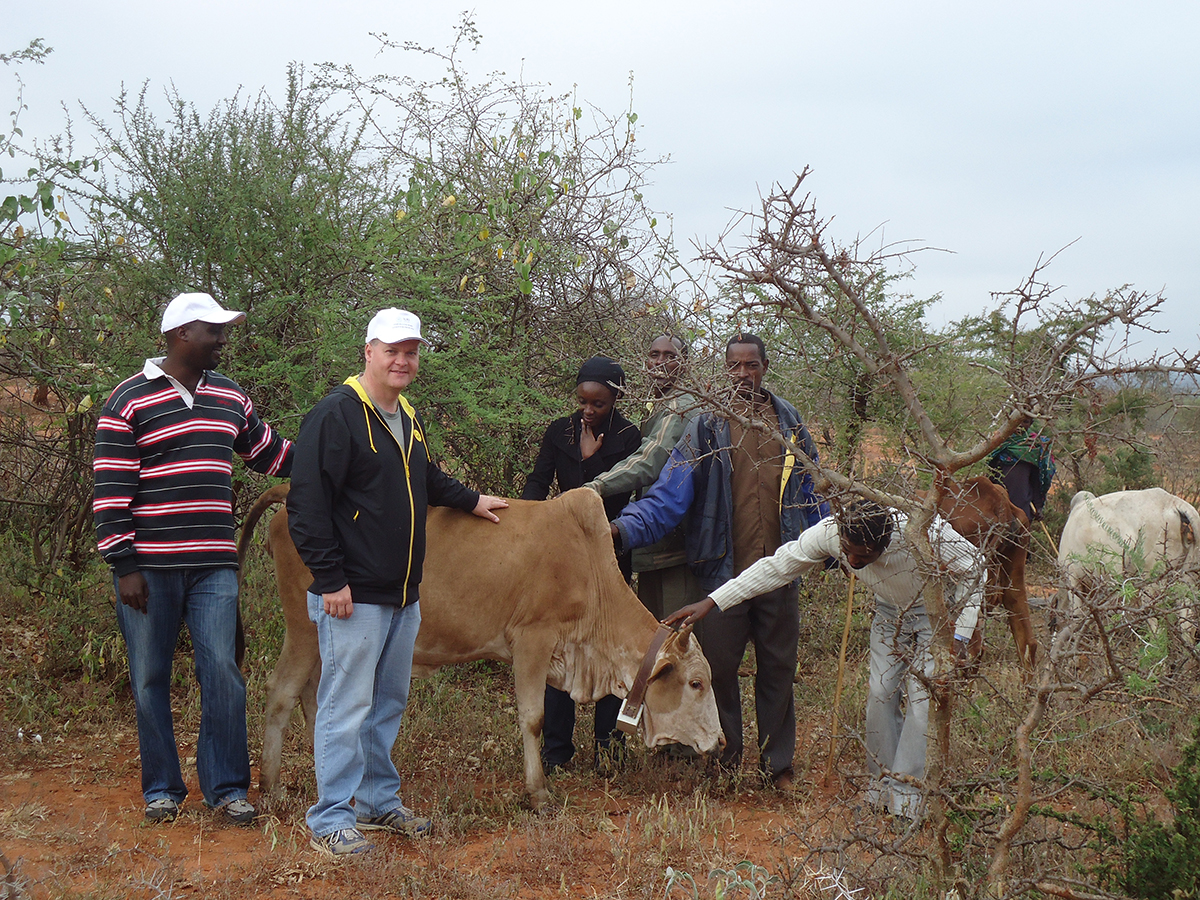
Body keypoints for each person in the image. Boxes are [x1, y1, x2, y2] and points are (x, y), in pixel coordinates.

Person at [286, 308, 509, 858]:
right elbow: (306, 505)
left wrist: (471, 500)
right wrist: (330, 580)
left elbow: (424, 477)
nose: (402, 360)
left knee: (387, 701)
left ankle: (377, 801)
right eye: (392, 350)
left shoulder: (404, 413)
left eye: (410, 351)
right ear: (368, 352)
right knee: (346, 705)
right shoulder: (335, 416)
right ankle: (331, 818)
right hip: (352, 596)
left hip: (402, 593)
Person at [93, 291, 294, 825]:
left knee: (223, 672)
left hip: (213, 564)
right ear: (183, 334)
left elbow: (272, 454)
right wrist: (123, 567)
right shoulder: (128, 400)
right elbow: (111, 492)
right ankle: (161, 788)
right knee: (150, 676)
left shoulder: (229, 396)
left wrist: (336, 452)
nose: (224, 340)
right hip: (148, 569)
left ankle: (227, 789)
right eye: (215, 331)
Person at [665, 499, 986, 819]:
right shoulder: (833, 532)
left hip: (934, 611)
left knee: (922, 701)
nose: (852, 560)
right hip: (889, 612)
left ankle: (907, 802)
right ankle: (882, 789)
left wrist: (961, 635)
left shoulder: (919, 530)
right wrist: (714, 601)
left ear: (885, 544)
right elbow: (777, 566)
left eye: (863, 556)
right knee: (880, 692)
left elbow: (975, 565)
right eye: (847, 551)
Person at [611, 333, 828, 791]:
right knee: (721, 672)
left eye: (752, 366)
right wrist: (622, 528)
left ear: (766, 368)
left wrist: (836, 541)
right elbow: (669, 495)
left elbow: (813, 492)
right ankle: (726, 756)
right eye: (735, 366)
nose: (743, 375)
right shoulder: (706, 427)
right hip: (722, 578)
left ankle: (778, 765)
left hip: (781, 574)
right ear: (723, 369)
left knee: (777, 671)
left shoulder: (787, 421)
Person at [522, 356, 642, 772]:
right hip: (560, 555)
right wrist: (527, 523)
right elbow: (538, 482)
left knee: (609, 646)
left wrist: (591, 461)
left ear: (616, 398)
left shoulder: (630, 436)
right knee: (559, 647)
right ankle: (557, 752)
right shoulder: (560, 430)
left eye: (599, 404)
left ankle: (609, 749)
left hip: (609, 554)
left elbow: (617, 499)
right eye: (582, 402)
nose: (588, 411)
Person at [584, 335, 704, 623]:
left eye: (670, 356)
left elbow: (651, 459)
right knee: (654, 636)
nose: (660, 363)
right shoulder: (659, 406)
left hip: (676, 548)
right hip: (656, 545)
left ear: (684, 364)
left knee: (675, 641)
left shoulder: (681, 406)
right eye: (654, 355)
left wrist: (594, 487)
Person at [988, 419, 1055, 521]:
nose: (1020, 425)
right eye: (1017, 420)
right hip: (997, 502)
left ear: (1031, 423)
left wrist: (1038, 506)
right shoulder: (998, 441)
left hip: (1022, 504)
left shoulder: (1033, 446)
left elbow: (1036, 480)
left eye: (1025, 421)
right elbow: (989, 474)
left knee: (1019, 532)